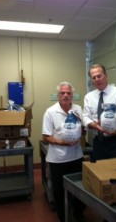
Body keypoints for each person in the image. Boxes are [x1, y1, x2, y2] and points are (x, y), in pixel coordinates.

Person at [42, 81, 86, 222]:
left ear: (72, 95)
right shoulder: (50, 112)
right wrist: (64, 143)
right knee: (59, 192)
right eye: (63, 93)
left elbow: (83, 132)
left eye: (68, 93)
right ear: (58, 95)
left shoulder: (78, 109)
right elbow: (46, 136)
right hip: (58, 160)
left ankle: (78, 214)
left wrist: (83, 127)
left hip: (76, 156)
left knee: (80, 188)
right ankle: (63, 217)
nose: (66, 95)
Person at [83, 63, 116, 161]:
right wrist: (93, 125)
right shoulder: (89, 97)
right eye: (94, 78)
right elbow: (85, 117)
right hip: (98, 141)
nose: (97, 79)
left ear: (106, 76)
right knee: (100, 172)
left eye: (99, 76)